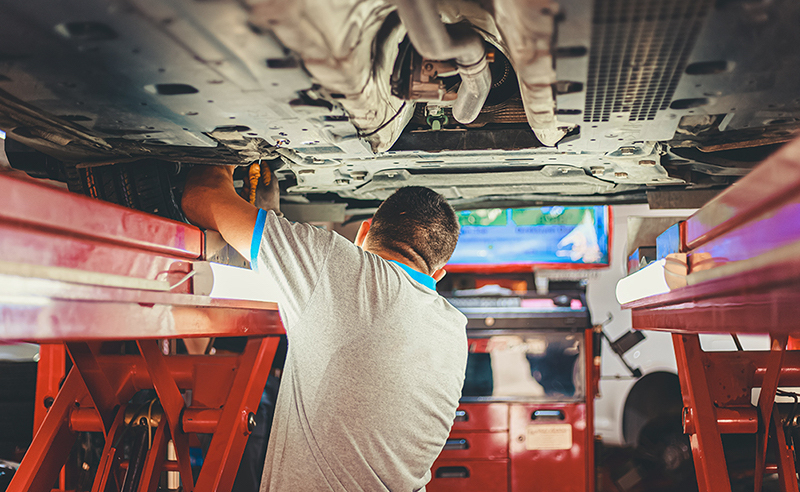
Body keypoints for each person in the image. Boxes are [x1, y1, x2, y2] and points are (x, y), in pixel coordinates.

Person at [181, 165, 468, 491]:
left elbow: (201, 197)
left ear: (363, 233)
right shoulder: (454, 330)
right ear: (438, 275)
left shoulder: (339, 265)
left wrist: (225, 156)